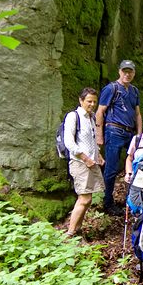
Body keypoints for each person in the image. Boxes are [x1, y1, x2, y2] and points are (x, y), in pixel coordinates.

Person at [96, 60, 142, 215]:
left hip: (130, 132)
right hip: (113, 130)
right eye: (125, 71)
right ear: (119, 72)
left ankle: (133, 200)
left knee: (138, 165)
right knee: (111, 168)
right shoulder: (111, 88)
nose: (127, 74)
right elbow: (100, 111)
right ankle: (107, 202)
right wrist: (99, 136)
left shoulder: (134, 91)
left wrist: (140, 136)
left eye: (130, 72)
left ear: (134, 73)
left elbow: (137, 114)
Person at [64, 87, 105, 236]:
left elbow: (91, 140)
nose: (92, 104)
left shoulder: (92, 117)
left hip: (91, 162)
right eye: (89, 101)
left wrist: (98, 155)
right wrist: (85, 158)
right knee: (84, 198)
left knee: (88, 199)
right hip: (80, 163)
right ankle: (70, 233)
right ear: (81, 101)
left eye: (94, 101)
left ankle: (77, 229)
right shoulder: (73, 117)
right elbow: (69, 142)